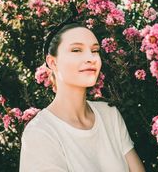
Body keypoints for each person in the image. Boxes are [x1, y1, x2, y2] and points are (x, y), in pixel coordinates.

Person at [20, 22, 146, 172]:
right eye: (76, 50)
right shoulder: (40, 132)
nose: (91, 58)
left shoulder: (109, 114)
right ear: (53, 62)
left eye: (95, 50)